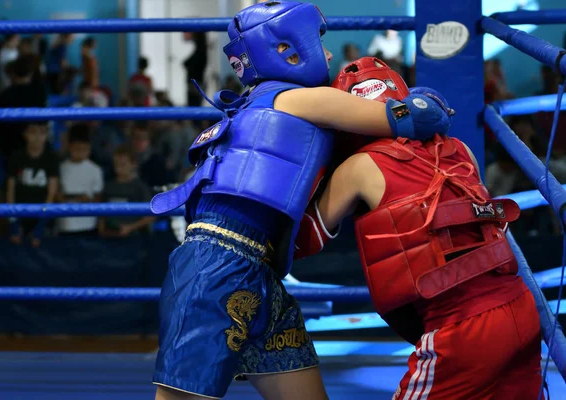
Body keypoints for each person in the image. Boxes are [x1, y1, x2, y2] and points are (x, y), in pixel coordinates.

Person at [149, 2, 453, 400]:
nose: (328, 54)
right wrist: (424, 99)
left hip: (257, 272)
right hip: (216, 268)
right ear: (287, 51)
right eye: (319, 43)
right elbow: (415, 118)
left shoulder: (257, 105)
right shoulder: (300, 100)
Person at [294, 57, 543, 400]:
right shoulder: (462, 150)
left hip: (460, 331)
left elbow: (303, 241)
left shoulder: (357, 167)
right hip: (521, 308)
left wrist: (311, 169)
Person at [6, 122, 59, 247]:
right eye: (33, 131)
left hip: (42, 215)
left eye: (42, 132)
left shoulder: (51, 158)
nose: (37, 136)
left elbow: (52, 193)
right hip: (19, 213)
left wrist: (42, 223)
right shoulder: (16, 157)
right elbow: (10, 190)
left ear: (47, 135)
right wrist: (13, 220)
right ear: (25, 134)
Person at [57, 123, 104, 236]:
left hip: (88, 225)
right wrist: (62, 198)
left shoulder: (95, 170)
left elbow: (99, 200)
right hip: (65, 225)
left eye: (84, 149)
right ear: (70, 146)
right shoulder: (61, 168)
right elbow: (56, 196)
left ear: (89, 148)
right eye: (77, 148)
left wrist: (87, 200)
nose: (81, 152)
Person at [98, 144, 154, 238]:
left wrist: (130, 227)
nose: (119, 168)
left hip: (134, 238)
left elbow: (152, 215)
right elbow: (101, 211)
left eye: (123, 164)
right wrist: (101, 228)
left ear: (133, 164)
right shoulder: (108, 186)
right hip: (109, 237)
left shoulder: (140, 187)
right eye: (116, 164)